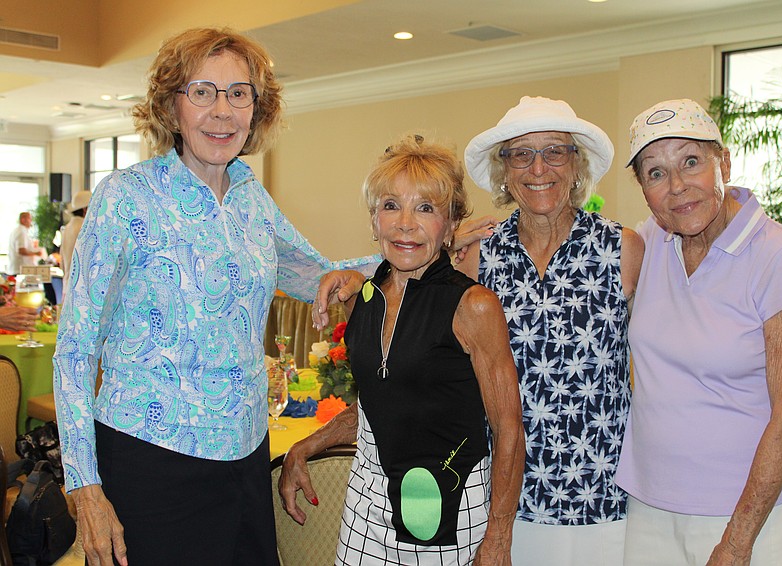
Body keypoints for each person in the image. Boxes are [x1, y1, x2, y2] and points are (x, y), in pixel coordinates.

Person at [52, 27, 376, 566]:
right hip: (149, 461)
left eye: (238, 93)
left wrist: (426, 248)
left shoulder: (252, 198)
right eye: (202, 91)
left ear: (257, 108)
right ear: (171, 104)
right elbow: (76, 349)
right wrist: (84, 487)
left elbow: (320, 276)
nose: (221, 111)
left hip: (245, 458)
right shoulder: (126, 198)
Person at [313, 96, 644, 565]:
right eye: (521, 154)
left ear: (577, 164)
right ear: (503, 170)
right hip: (492, 493)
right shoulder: (481, 254)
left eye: (555, 152)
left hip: (595, 490)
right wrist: (359, 279)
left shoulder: (623, 250)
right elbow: (414, 269)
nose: (538, 168)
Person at [280, 135, 525, 565]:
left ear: (450, 226)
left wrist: (498, 537)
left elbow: (508, 430)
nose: (405, 223)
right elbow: (379, 408)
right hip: (366, 502)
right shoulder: (365, 299)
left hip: (444, 506)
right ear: (374, 220)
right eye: (391, 205)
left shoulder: (473, 306)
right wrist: (305, 446)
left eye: (426, 208)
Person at [614, 99, 782, 566]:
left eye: (691, 162)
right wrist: (455, 241)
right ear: (643, 188)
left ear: (723, 162)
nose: (677, 187)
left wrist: (736, 541)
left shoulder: (778, 253)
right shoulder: (649, 240)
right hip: (648, 503)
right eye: (655, 173)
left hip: (745, 514)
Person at [60, 189, 91, 294]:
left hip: (68, 285)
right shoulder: (85, 227)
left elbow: (62, 263)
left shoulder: (67, 228)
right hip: (81, 289)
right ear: (85, 209)